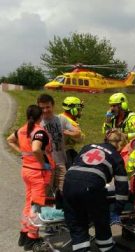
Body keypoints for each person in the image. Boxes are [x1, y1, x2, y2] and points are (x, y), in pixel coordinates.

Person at [62, 130, 129, 252]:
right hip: (91, 186)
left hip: (69, 184)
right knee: (100, 218)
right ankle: (106, 247)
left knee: (77, 220)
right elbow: (122, 186)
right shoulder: (115, 156)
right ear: (120, 144)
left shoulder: (88, 147)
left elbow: (76, 163)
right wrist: (118, 209)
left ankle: (81, 249)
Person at [7, 105, 55, 250]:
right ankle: (32, 238)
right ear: (40, 117)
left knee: (29, 202)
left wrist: (22, 153)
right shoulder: (39, 132)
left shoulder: (21, 130)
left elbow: (10, 140)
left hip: (27, 171)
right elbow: (35, 148)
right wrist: (43, 164)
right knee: (37, 205)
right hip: (38, 173)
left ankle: (24, 233)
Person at [37, 94, 81, 195]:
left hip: (60, 163)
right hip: (46, 165)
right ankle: (42, 210)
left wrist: (66, 132)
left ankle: (59, 210)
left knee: (63, 192)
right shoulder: (38, 122)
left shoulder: (61, 119)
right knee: (45, 194)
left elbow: (77, 133)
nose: (45, 110)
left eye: (48, 107)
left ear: (53, 106)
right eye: (42, 108)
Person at [60, 96, 85, 169]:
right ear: (74, 110)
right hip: (65, 154)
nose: (80, 112)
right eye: (79, 109)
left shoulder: (60, 117)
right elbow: (81, 139)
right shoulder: (71, 124)